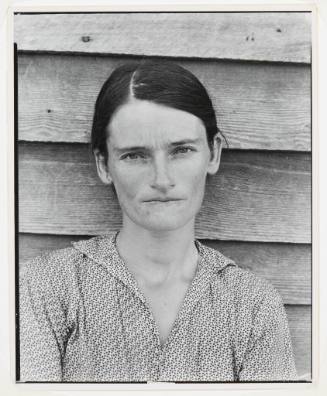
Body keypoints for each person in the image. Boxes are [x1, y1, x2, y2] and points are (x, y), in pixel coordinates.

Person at [19, 60, 298, 382]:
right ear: (104, 164)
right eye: (134, 155)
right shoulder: (45, 287)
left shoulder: (252, 305)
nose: (162, 179)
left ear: (214, 152)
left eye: (181, 150)